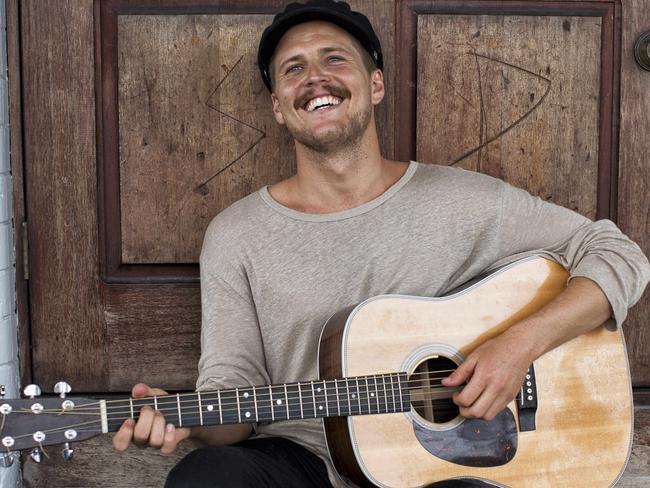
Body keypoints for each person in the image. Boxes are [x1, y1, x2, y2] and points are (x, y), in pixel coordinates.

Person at [112, 1, 650, 487]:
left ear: (375, 85)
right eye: (293, 68)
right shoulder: (236, 234)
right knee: (207, 479)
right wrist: (184, 420)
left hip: (445, 469)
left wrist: (519, 346)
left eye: (334, 60)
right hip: (304, 459)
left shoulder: (461, 200)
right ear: (279, 106)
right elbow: (234, 387)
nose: (315, 78)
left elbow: (618, 253)